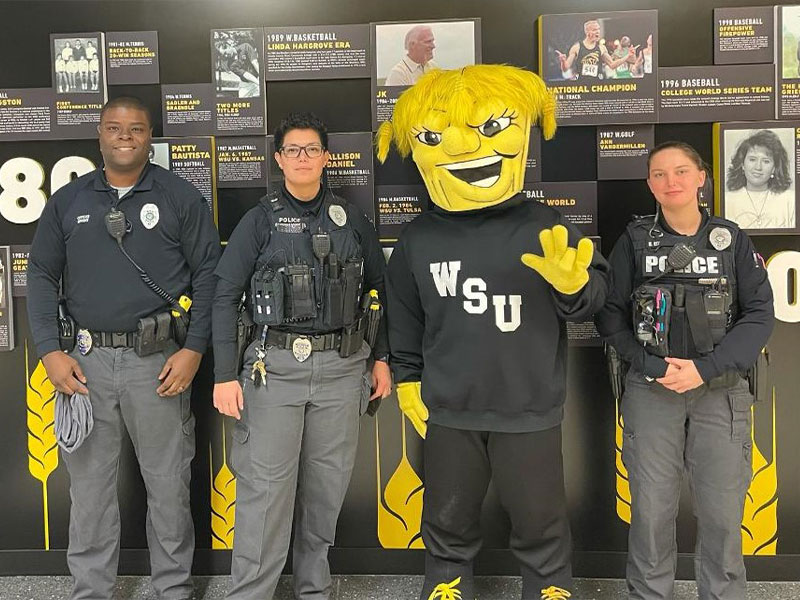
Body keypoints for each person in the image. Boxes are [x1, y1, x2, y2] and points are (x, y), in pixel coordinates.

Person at [376, 64, 609, 600]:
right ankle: (445, 585)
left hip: (528, 406)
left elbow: (592, 300)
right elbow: (404, 318)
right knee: (447, 515)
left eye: (488, 126)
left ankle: (550, 588)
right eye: (436, 136)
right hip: (451, 408)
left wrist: (574, 286)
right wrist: (408, 380)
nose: (462, 148)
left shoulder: (544, 223)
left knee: (540, 516)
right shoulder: (418, 238)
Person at [27, 96, 221, 600]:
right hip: (84, 365)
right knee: (90, 492)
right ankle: (91, 589)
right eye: (115, 128)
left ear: (149, 136)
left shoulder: (181, 198)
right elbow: (42, 275)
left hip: (159, 364)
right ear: (100, 134)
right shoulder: (68, 202)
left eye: (135, 129)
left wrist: (194, 348)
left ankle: (173, 589)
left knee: (169, 489)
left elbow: (208, 277)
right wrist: (50, 350)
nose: (125, 137)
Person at [212, 112, 392, 600]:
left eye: (312, 149)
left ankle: (315, 590)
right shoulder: (259, 220)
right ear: (279, 159)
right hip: (274, 370)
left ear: (326, 158)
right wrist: (225, 374)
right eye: (293, 150)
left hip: (341, 368)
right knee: (265, 494)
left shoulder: (352, 221)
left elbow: (382, 289)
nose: (303, 158)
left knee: (325, 492)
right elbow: (225, 295)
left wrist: (382, 359)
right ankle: (251, 594)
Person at [595, 141, 774, 600]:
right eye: (658, 174)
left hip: (721, 390)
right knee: (651, 512)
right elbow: (610, 315)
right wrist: (651, 366)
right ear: (650, 184)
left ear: (702, 177)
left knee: (721, 512)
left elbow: (758, 315)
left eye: (680, 171)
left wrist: (705, 369)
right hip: (651, 389)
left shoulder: (731, 240)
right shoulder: (633, 241)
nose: (669, 181)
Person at [725, 130, 796, 230]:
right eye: (752, 159)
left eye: (766, 161)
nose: (758, 167)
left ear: (774, 168)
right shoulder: (727, 200)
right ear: (742, 164)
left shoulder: (790, 200)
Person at [555, 19, 634, 80]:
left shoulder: (601, 48)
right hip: (582, 85)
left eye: (598, 29)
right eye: (594, 30)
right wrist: (563, 61)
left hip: (597, 85)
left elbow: (612, 65)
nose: (598, 32)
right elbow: (565, 68)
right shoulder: (577, 47)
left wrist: (627, 56)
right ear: (587, 32)